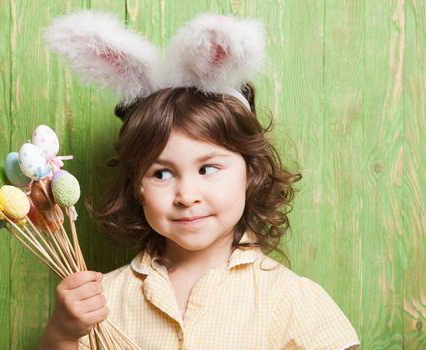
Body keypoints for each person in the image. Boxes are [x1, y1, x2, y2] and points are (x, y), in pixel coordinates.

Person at [41, 11, 361, 350]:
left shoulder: (290, 299)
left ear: (250, 172)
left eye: (207, 168)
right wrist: (63, 333)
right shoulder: (102, 300)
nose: (187, 195)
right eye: (162, 173)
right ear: (138, 185)